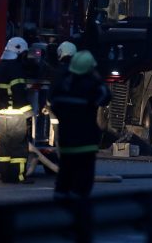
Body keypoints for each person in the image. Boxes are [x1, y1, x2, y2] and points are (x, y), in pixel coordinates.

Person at [49, 50, 111, 199]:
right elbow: (106, 96)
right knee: (82, 184)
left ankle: (60, 210)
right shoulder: (92, 86)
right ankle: (78, 214)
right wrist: (97, 78)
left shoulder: (63, 85)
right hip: (86, 143)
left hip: (66, 143)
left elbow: (54, 104)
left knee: (64, 179)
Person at [0, 37, 34, 183]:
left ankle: (5, 176)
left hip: (1, 114)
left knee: (4, 147)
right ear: (18, 51)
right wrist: (29, 114)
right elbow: (19, 94)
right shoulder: (16, 69)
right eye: (24, 54)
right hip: (16, 115)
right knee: (18, 148)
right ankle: (18, 176)